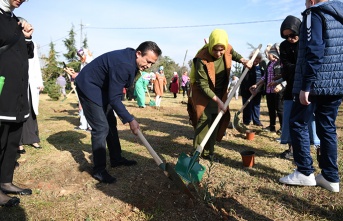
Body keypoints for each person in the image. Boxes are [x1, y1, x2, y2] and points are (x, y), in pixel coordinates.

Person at [75, 41, 162, 183]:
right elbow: (115, 99)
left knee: (111, 122)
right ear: (138, 53)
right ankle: (99, 170)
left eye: (152, 63)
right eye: (148, 61)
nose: (148, 66)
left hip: (102, 87)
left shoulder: (131, 59)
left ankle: (116, 158)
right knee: (101, 128)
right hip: (88, 85)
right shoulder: (124, 64)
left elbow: (116, 92)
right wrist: (130, 119)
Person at [279, 0, 343, 193]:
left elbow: (314, 49)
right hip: (336, 82)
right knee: (327, 126)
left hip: (315, 83)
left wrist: (306, 85)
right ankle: (330, 177)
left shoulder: (313, 14)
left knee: (297, 122)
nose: (305, 4)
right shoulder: (339, 15)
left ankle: (305, 171)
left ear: (312, 0)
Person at [189, 29, 251, 160]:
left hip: (220, 91)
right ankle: (196, 153)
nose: (218, 53)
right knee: (204, 120)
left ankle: (209, 153)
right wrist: (219, 101)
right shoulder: (201, 58)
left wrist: (244, 60)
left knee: (215, 122)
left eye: (221, 50)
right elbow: (203, 85)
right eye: (215, 50)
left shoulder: (227, 48)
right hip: (203, 92)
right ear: (210, 45)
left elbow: (233, 54)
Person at [0, 0, 33, 207]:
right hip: (2, 90)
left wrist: (27, 37)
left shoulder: (14, 20)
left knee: (12, 140)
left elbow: (26, 54)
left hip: (18, 92)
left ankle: (5, 181)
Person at [18, 39, 44, 154]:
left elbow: (36, 64)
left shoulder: (32, 44)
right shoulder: (13, 42)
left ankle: (32, 139)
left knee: (30, 110)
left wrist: (40, 82)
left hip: (30, 83)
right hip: (16, 82)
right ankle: (18, 143)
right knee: (18, 111)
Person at [251, 43, 283, 133]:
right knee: (271, 109)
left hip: (278, 91)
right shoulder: (269, 64)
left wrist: (279, 85)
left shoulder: (280, 63)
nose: (267, 54)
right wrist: (256, 85)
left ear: (273, 54)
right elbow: (264, 77)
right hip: (269, 91)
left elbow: (284, 76)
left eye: (268, 53)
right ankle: (272, 127)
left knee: (280, 109)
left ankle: (282, 128)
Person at [240, 50, 264, 127]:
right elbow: (245, 79)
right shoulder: (248, 66)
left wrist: (258, 89)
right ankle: (246, 121)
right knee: (247, 106)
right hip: (247, 90)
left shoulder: (262, 66)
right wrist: (250, 89)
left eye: (258, 59)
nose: (256, 61)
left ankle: (256, 121)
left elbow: (264, 77)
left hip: (258, 90)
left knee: (256, 105)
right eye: (255, 59)